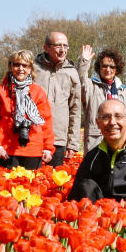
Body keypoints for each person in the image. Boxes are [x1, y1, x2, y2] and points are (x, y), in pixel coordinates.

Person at [68, 99, 126, 203]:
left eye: (118, 116)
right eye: (106, 117)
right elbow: (75, 199)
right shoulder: (91, 157)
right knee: (86, 186)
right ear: (98, 123)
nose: (112, 122)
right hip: (98, 215)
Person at [0, 50, 55, 169]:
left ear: (30, 69)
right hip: (6, 149)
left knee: (32, 186)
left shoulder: (38, 92)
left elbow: (46, 121)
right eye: (16, 64)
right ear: (10, 67)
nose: (20, 68)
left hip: (33, 148)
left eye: (25, 65)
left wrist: (48, 147)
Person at [33, 31, 81, 166]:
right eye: (58, 46)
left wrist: (72, 142)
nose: (63, 50)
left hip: (58, 139)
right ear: (46, 47)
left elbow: (75, 110)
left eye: (65, 46)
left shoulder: (71, 72)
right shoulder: (33, 69)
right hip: (34, 137)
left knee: (53, 183)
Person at [77, 45, 126, 153]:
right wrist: (84, 62)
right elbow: (79, 82)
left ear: (117, 69)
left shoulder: (123, 91)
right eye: (104, 66)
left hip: (119, 138)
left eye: (112, 67)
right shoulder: (91, 86)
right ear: (99, 68)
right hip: (96, 138)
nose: (108, 69)